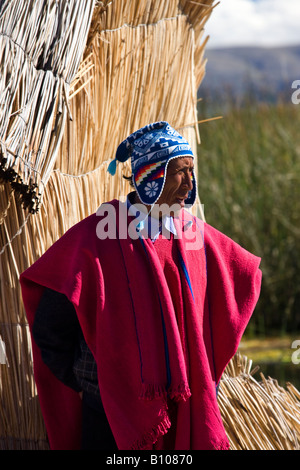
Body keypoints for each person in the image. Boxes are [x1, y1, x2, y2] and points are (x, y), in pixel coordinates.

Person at [20, 121, 262, 450]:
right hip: (108, 414)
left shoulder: (194, 237)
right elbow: (51, 323)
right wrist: (88, 381)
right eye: (180, 171)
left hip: (182, 407)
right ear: (151, 178)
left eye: (192, 170)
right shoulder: (95, 240)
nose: (190, 183)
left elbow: (241, 276)